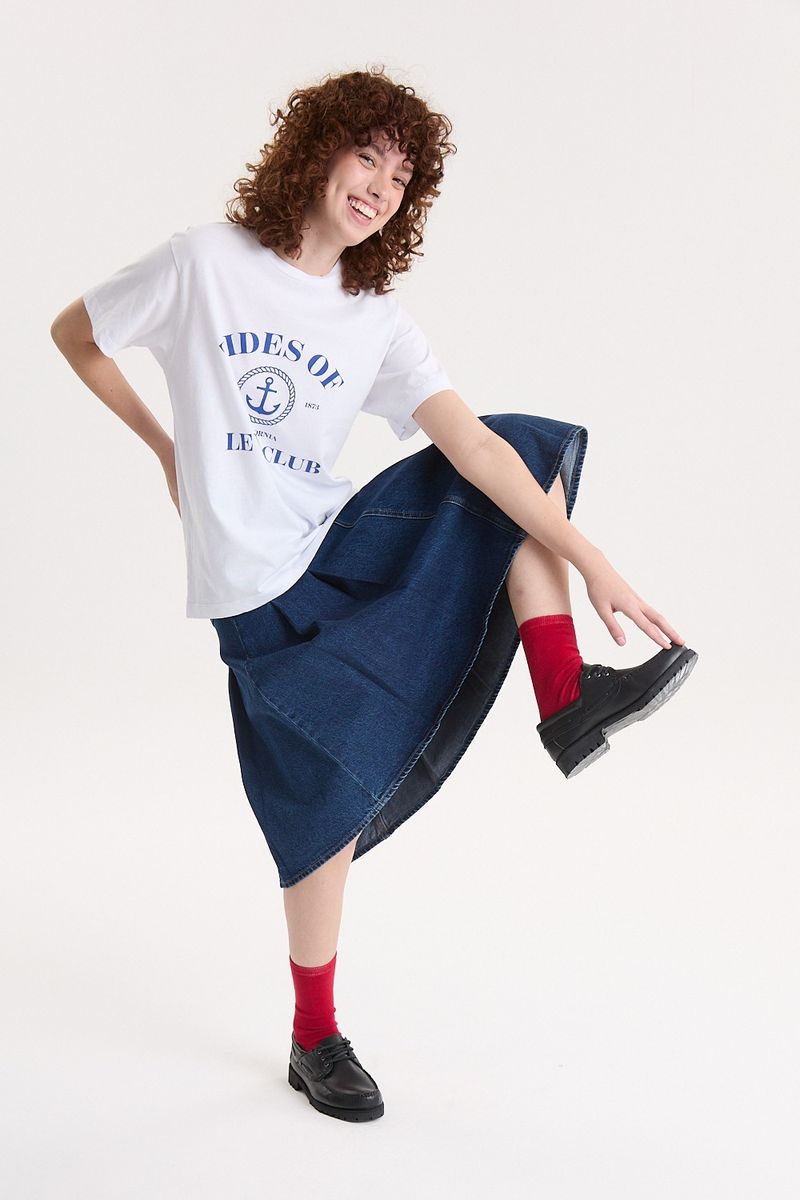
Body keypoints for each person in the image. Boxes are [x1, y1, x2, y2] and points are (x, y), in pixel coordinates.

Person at [51, 64, 698, 1124]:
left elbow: (475, 448)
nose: (379, 189)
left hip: (335, 550)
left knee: (515, 456)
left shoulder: (374, 320)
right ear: (316, 150)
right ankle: (314, 1034)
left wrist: (593, 560)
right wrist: (166, 449)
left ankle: (564, 689)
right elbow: (75, 335)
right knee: (322, 813)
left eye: (401, 180)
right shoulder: (204, 263)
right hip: (253, 594)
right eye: (368, 159)